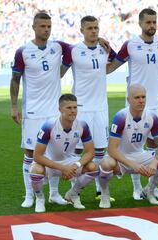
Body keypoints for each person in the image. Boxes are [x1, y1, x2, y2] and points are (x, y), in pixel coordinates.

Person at [10, 12, 71, 208]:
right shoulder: (23, 51)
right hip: (33, 112)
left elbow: (78, 50)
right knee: (30, 153)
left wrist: (59, 73)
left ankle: (54, 193)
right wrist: (13, 105)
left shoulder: (58, 47)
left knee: (56, 153)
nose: (46, 29)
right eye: (42, 26)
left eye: (48, 26)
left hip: (54, 112)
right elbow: (15, 79)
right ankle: (29, 195)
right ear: (34, 27)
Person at [106, 8, 158, 200]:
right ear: (140, 24)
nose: (151, 26)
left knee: (152, 143)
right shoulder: (130, 44)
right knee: (132, 142)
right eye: (148, 22)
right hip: (135, 100)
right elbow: (113, 65)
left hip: (155, 100)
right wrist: (104, 49)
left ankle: (151, 187)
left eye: (154, 22)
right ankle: (135, 187)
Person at [63, 15, 117, 202]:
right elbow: (61, 69)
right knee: (78, 150)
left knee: (101, 149)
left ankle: (100, 190)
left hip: (101, 107)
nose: (94, 31)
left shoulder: (104, 49)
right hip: (82, 107)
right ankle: (74, 189)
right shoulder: (74, 50)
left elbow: (116, 62)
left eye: (96, 27)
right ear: (82, 30)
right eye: (90, 28)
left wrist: (108, 48)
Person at [97, 85, 158, 208]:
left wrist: (154, 163)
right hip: (120, 158)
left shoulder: (152, 116)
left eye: (143, 97)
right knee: (106, 164)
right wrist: (133, 165)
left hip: (139, 154)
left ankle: (149, 190)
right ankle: (104, 194)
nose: (141, 100)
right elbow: (111, 149)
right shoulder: (121, 117)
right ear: (128, 100)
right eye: (137, 97)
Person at [29, 94, 98, 212]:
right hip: (49, 162)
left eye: (75, 107)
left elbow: (90, 152)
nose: (73, 111)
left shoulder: (82, 125)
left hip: (68, 161)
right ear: (60, 109)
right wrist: (63, 168)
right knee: (35, 170)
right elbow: (37, 156)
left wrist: (75, 165)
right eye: (69, 108)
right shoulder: (49, 125)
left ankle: (72, 194)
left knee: (93, 167)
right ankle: (40, 198)